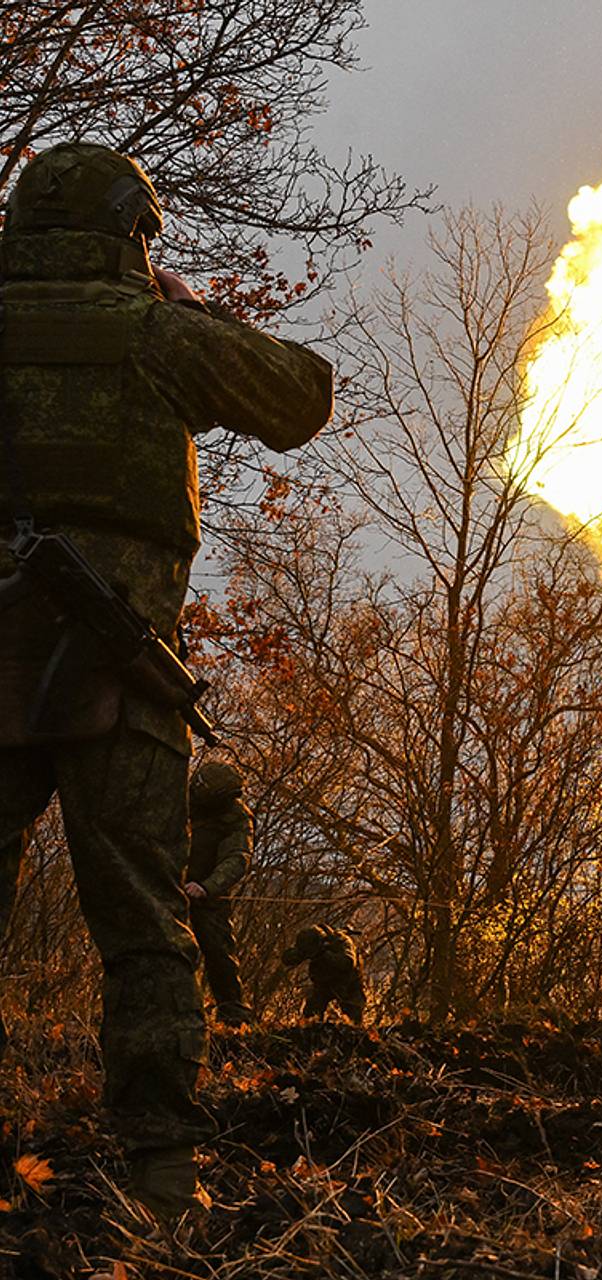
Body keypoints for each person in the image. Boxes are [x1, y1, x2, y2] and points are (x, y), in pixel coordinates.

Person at [0, 142, 333, 1219]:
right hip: (115, 678)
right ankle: (159, 1172)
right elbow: (301, 399)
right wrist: (201, 312)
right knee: (144, 921)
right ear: (133, 234)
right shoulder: (154, 334)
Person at [186, 760, 254, 1027]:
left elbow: (237, 858)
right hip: (167, 883)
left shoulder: (236, 817)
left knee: (218, 951)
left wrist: (208, 887)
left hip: (208, 890)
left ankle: (233, 1016)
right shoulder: (178, 796)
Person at [281, 924, 367, 1022]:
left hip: (349, 984)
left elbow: (348, 962)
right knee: (311, 1014)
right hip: (325, 984)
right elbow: (287, 959)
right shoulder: (309, 946)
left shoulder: (340, 941)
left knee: (353, 1018)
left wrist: (324, 955)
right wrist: (298, 954)